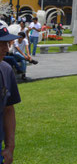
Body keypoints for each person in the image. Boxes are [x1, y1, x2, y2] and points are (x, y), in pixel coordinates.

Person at [0, 26, 21, 164]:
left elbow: (8, 109)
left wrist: (10, 147)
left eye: (7, 44)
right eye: (0, 44)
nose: (6, 49)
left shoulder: (6, 70)